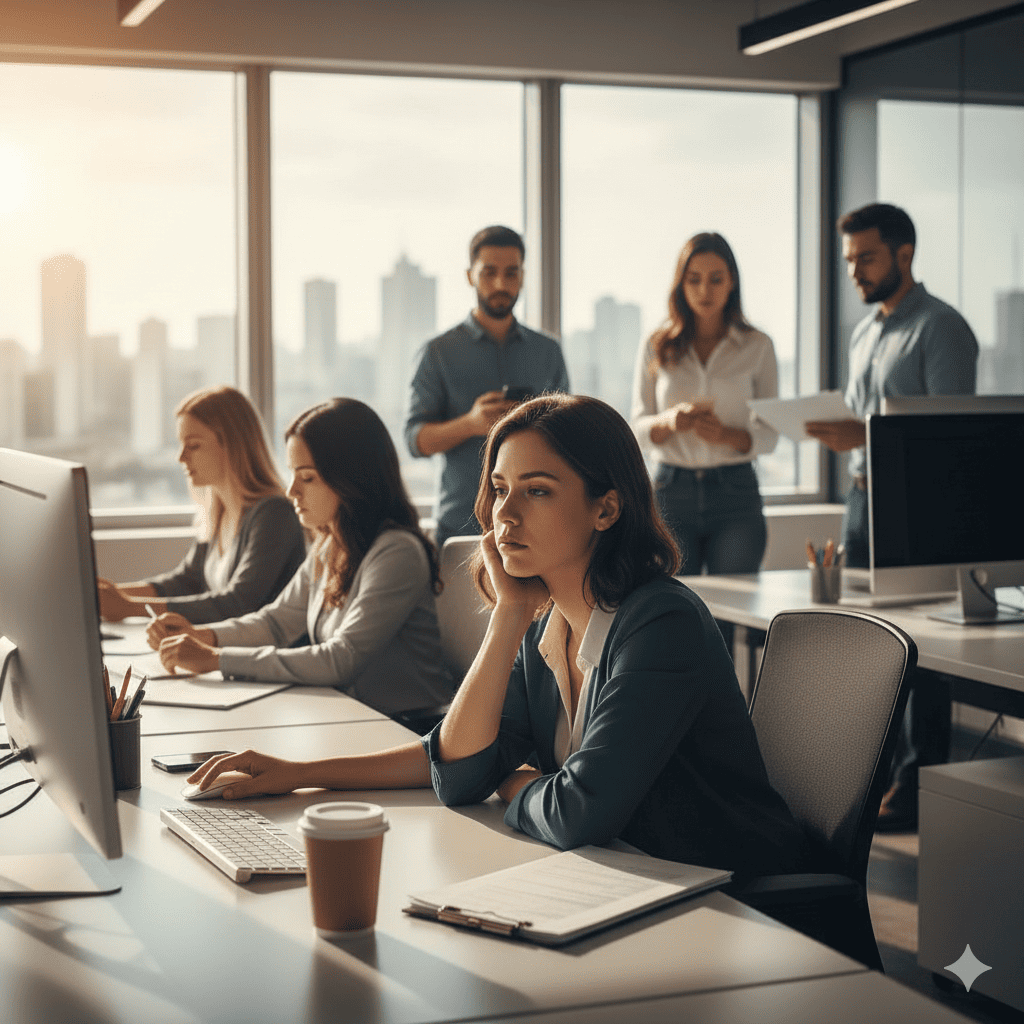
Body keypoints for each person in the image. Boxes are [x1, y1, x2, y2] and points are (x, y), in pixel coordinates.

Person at [188, 394, 806, 880]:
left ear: (607, 509)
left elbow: (576, 813)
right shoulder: (548, 620)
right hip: (630, 877)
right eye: (502, 490)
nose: (506, 514)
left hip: (735, 901)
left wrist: (512, 780)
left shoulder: (659, 623)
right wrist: (297, 774)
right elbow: (456, 770)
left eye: (537, 491)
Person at [806, 203, 979, 832]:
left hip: (919, 504)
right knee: (871, 640)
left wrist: (863, 432)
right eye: (849, 260)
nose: (854, 271)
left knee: (923, 649)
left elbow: (948, 429)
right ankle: (871, 778)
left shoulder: (942, 328)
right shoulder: (865, 333)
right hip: (863, 498)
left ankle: (917, 785)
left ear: (904, 254)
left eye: (866, 258)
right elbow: (862, 419)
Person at [147, 398, 453, 717]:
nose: (292, 490)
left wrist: (215, 658)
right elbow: (277, 623)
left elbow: (341, 659)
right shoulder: (330, 545)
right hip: (351, 717)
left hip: (408, 727)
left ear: (351, 480)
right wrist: (201, 636)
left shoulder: (397, 552)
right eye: (292, 474)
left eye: (307, 478)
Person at [405, 225, 569, 549]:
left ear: (522, 277)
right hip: (460, 526)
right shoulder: (437, 352)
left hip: (537, 527)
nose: (500, 284)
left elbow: (570, 435)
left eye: (511, 273)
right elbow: (414, 441)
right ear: (470, 276)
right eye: (489, 272)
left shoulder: (548, 351)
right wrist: (470, 424)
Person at [631, 232, 778, 576]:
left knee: (736, 605)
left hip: (736, 494)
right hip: (671, 492)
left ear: (732, 283)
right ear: (680, 284)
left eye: (716, 279)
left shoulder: (758, 346)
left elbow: (770, 435)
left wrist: (727, 435)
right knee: (676, 606)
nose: (704, 291)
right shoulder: (656, 344)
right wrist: (668, 422)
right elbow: (637, 427)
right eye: (694, 279)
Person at [98, 385, 305, 625]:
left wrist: (129, 607)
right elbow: (186, 581)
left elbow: (238, 603)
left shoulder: (275, 515)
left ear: (232, 445)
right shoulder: (219, 511)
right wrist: (111, 596)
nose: (181, 457)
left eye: (193, 445)